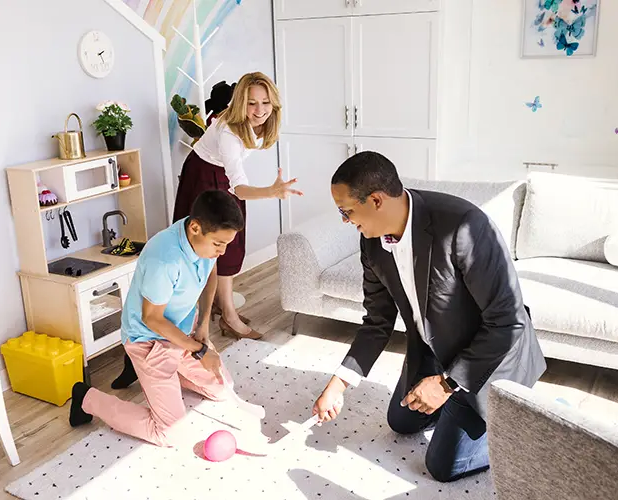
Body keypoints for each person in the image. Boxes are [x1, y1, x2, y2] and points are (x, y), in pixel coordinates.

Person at [312, 151, 546, 482]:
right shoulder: (372, 245)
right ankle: (450, 406)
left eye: (346, 211)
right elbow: (377, 322)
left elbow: (508, 322)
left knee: (442, 467)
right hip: (435, 351)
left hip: (491, 360)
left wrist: (447, 384)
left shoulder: (464, 226)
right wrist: (339, 384)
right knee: (401, 421)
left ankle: (517, 421)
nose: (345, 220)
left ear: (376, 200)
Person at [69, 190, 244, 447]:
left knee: (223, 388)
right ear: (195, 227)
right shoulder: (164, 258)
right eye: (219, 244)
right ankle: (87, 398)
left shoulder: (205, 241)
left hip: (182, 333)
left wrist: (204, 324)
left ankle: (154, 373)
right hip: (149, 340)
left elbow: (211, 274)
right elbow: (151, 319)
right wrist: (198, 350)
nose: (222, 251)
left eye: (226, 244)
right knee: (170, 434)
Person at [173, 70, 302, 341]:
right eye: (252, 103)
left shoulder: (259, 124)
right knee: (213, 245)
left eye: (265, 102)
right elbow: (240, 188)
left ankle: (223, 305)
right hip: (203, 174)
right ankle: (228, 318)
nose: (260, 110)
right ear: (240, 103)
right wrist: (271, 191)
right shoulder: (229, 133)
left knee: (233, 239)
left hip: (221, 172)